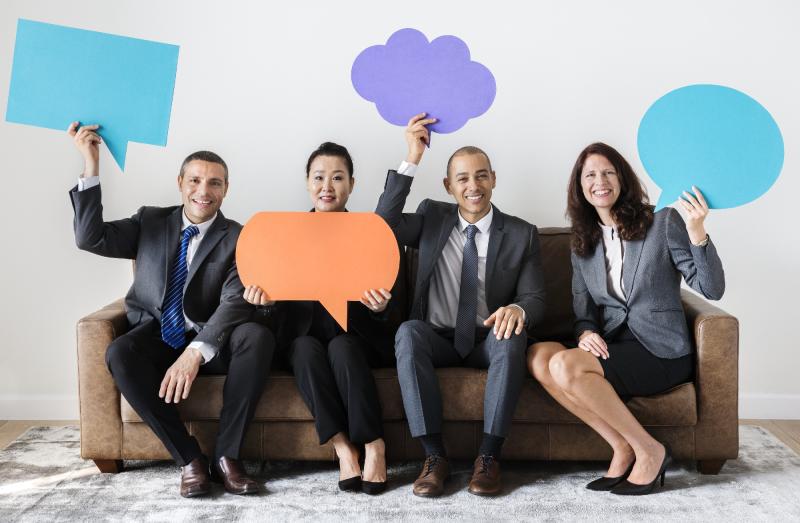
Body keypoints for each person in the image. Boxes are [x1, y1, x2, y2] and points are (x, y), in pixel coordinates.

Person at [68, 122, 275, 498]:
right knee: (119, 351)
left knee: (256, 335)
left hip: (212, 341)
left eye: (214, 183)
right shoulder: (150, 221)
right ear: (180, 182)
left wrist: (194, 354)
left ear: (226, 190)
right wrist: (91, 165)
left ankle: (228, 457)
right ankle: (190, 460)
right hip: (157, 334)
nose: (203, 191)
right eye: (195, 180)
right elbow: (89, 237)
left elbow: (233, 302)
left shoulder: (240, 237)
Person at [527, 142, 725, 495]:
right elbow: (583, 310)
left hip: (662, 350)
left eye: (608, 172)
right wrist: (586, 331)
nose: (599, 181)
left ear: (622, 179)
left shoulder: (662, 222)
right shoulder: (581, 242)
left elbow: (711, 289)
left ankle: (649, 449)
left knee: (565, 366)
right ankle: (620, 446)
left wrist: (698, 232)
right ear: (580, 186)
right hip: (617, 345)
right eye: (590, 175)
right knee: (539, 356)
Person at [375, 114, 546, 497]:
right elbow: (381, 226)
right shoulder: (431, 217)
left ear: (494, 179)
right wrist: (411, 157)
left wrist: (518, 310)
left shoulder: (521, 233)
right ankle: (434, 457)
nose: (474, 185)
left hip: (487, 339)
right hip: (437, 336)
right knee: (407, 332)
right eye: (464, 178)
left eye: (482, 175)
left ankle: (488, 457)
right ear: (448, 185)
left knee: (512, 336)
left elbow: (535, 297)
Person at [244, 142, 403, 495]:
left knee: (344, 347)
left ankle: (375, 445)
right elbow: (272, 313)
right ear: (307, 183)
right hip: (302, 339)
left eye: (337, 177)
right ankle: (343, 447)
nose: (327, 186)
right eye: (319, 177)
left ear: (352, 184)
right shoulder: (284, 236)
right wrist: (265, 304)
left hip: (357, 338)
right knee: (302, 348)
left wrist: (381, 308)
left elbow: (397, 310)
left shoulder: (371, 234)